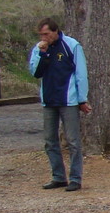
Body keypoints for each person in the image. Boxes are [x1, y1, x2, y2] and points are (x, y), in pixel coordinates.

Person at [30, 17, 90, 191]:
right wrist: (43, 54)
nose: (44, 37)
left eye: (47, 34)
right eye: (41, 34)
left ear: (55, 31)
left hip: (68, 99)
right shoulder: (39, 48)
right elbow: (36, 72)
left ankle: (75, 178)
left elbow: (81, 73)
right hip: (49, 100)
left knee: (73, 141)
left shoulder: (72, 46)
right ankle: (58, 176)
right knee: (50, 140)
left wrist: (82, 99)